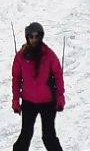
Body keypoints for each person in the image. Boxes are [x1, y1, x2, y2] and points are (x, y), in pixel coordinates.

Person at [10, 21, 66, 151]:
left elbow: (58, 76)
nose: (34, 39)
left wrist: (60, 97)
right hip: (28, 102)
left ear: (41, 36)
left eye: (37, 36)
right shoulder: (21, 57)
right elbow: (16, 79)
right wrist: (15, 100)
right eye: (31, 36)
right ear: (27, 38)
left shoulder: (49, 55)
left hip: (48, 102)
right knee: (25, 135)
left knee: (49, 137)